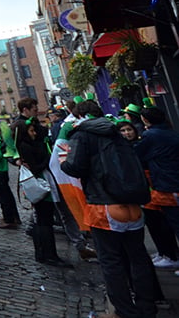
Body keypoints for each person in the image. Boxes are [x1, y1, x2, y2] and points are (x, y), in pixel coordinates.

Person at [59, 99, 156, 318]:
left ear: (80, 116)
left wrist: (64, 159)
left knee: (111, 261)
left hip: (105, 206)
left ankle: (124, 311)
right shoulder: (117, 131)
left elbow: (75, 167)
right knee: (138, 257)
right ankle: (147, 307)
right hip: (133, 204)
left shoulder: (82, 135)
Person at [14, 97, 72, 267]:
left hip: (39, 181)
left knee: (42, 219)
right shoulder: (27, 144)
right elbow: (36, 165)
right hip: (40, 183)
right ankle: (48, 254)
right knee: (44, 220)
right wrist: (48, 158)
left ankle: (42, 253)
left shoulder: (28, 142)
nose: (34, 132)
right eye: (32, 130)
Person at [134, 106, 179, 263]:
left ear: (145, 120)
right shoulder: (170, 131)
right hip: (171, 181)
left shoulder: (150, 135)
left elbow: (137, 153)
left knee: (174, 222)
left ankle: (172, 256)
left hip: (168, 184)